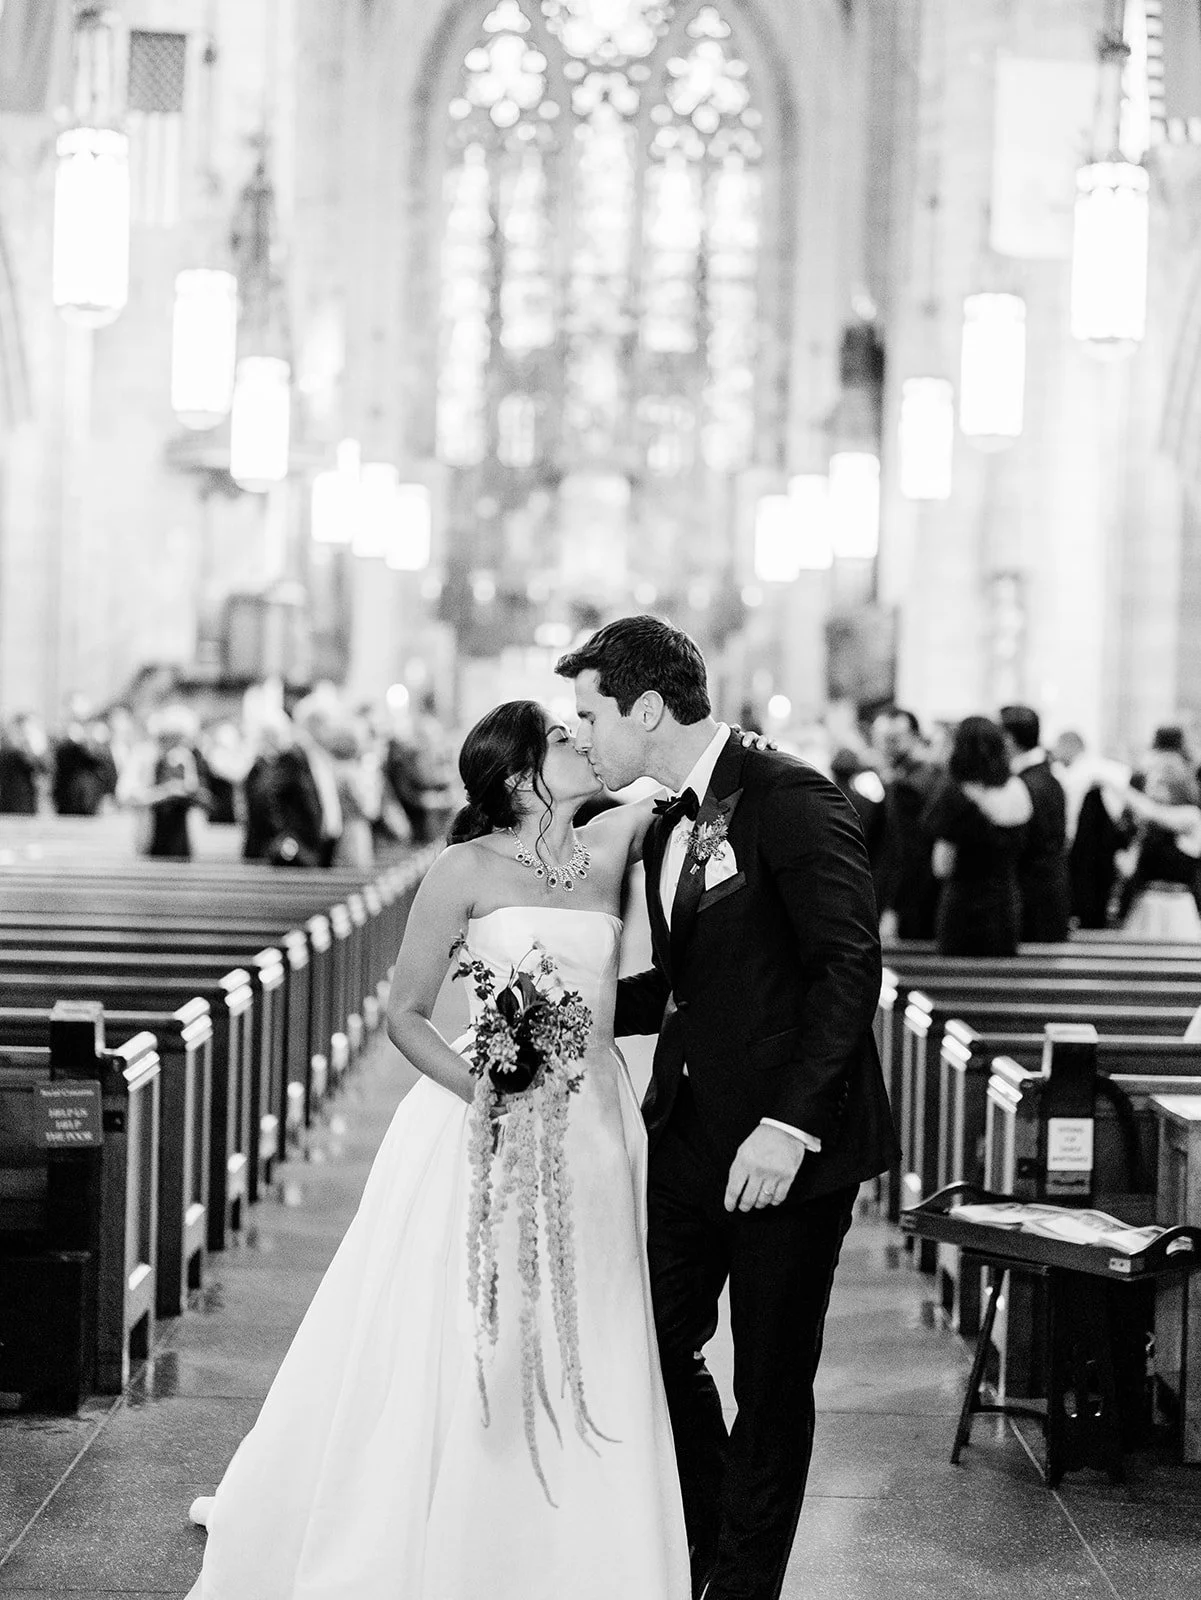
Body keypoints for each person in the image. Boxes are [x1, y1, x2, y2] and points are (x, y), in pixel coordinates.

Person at [184, 698, 695, 1598]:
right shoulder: (461, 868)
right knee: (480, 1325)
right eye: (562, 737)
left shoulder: (614, 844)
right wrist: (484, 1094)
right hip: (490, 1108)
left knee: (599, 1307)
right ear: (517, 775)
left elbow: (686, 779)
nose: (581, 741)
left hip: (596, 1121)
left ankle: (587, 1539)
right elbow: (404, 1014)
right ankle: (467, 1520)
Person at [557, 616, 899, 1600]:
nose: (583, 735)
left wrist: (788, 1126)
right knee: (652, 1335)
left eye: (591, 715)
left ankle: (742, 1586)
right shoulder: (677, 812)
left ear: (647, 709)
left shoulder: (788, 797)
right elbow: (686, 982)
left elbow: (846, 966)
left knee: (771, 1381)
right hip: (694, 1131)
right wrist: (535, 1017)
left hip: (788, 1148)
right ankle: (707, 1536)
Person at [922, 716, 1033, 957]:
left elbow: (942, 865)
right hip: (1005, 902)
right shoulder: (1018, 790)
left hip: (962, 905)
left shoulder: (955, 794)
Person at [1105, 753, 1201, 939]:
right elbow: (1129, 869)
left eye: (1156, 781)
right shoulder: (1148, 826)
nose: (1148, 787)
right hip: (1147, 903)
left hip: (1177, 905)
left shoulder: (1191, 816)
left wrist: (1116, 784)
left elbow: (1152, 811)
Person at [999, 704, 1071, 942]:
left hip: (1034, 902)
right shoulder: (1044, 776)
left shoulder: (1029, 783)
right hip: (1045, 895)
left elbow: (1026, 844)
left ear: (1008, 739)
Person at [870, 707, 941, 940]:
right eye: (882, 739)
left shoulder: (907, 786)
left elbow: (906, 854)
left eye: (893, 739)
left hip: (910, 900)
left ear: (914, 737)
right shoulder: (930, 773)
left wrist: (892, 908)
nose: (885, 746)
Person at [0, 712, 47, 813]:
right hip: (7, 801)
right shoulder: (7, 750)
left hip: (24, 802)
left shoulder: (29, 751)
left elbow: (42, 768)